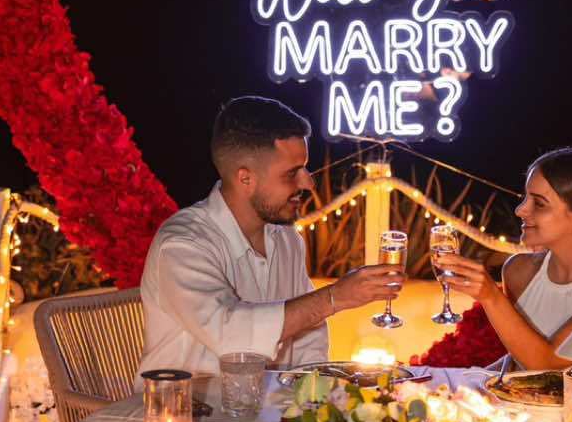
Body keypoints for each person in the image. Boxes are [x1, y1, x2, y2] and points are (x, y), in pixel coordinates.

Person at [138, 95, 404, 376]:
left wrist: (313, 394)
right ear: (245, 179)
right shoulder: (184, 244)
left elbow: (307, 336)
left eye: (305, 168)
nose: (308, 182)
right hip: (186, 412)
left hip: (267, 410)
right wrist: (335, 297)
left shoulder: (285, 237)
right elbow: (231, 336)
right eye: (292, 173)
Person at [437, 146, 572, 370]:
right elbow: (519, 362)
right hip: (528, 404)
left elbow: (546, 363)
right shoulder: (519, 271)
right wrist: (462, 381)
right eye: (525, 197)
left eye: (539, 203)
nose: (520, 210)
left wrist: (490, 296)